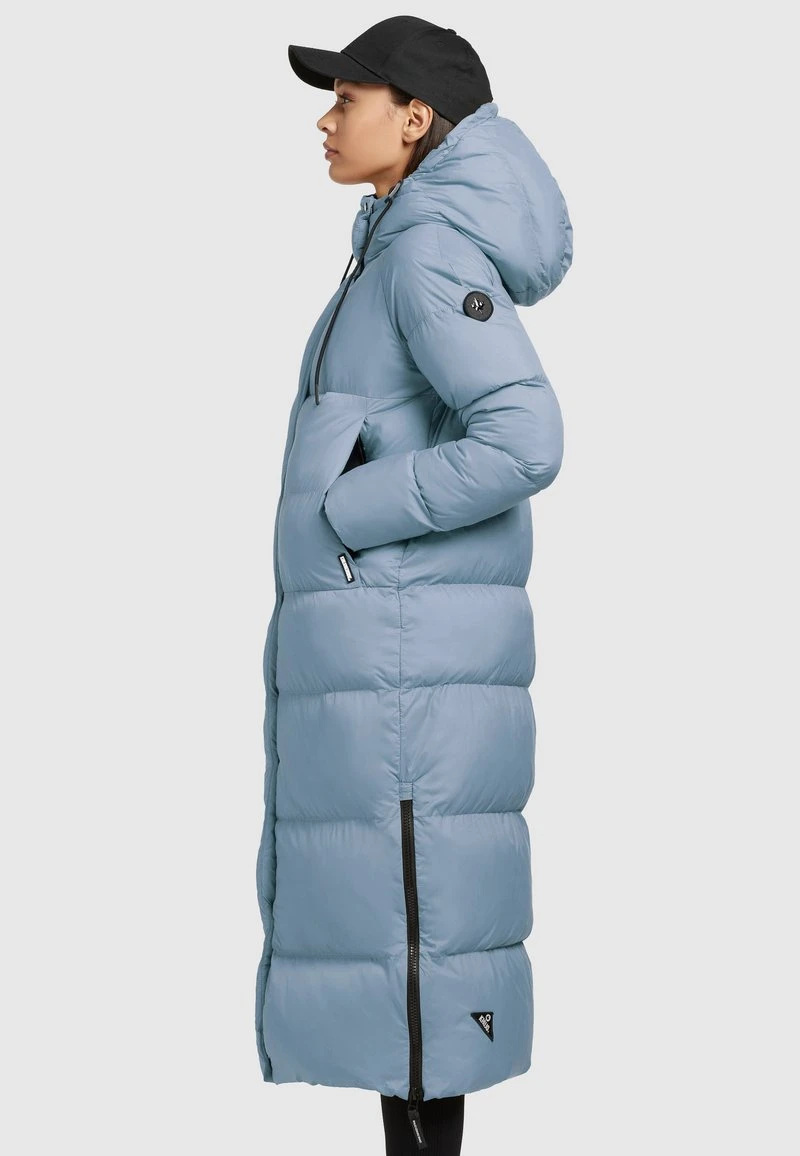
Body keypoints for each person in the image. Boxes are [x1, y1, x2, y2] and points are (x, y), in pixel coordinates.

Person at [255, 16, 573, 1155]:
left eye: (349, 98)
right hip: (392, 665)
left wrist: (352, 509)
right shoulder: (395, 248)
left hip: (409, 679)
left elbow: (525, 439)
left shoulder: (426, 255)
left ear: (415, 118)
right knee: (400, 964)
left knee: (418, 961)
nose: (326, 119)